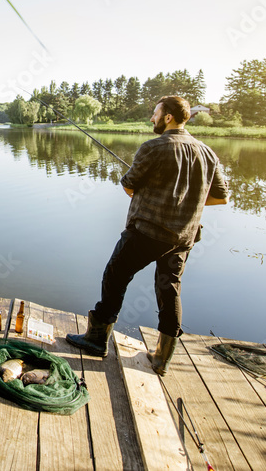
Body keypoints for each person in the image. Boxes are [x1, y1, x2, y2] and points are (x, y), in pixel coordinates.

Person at [65, 95, 228, 375]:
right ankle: (162, 358)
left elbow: (129, 186)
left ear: (168, 117)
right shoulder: (207, 152)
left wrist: (152, 193)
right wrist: (188, 202)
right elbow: (220, 197)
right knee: (170, 290)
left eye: (155, 114)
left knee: (115, 276)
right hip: (183, 237)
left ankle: (96, 339)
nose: (152, 118)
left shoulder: (154, 147)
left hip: (147, 232)